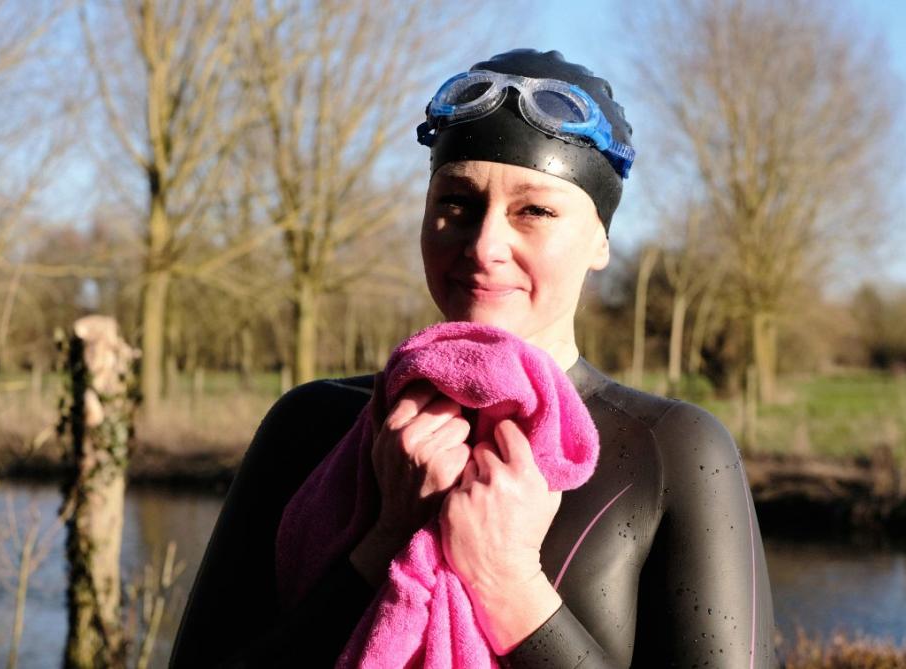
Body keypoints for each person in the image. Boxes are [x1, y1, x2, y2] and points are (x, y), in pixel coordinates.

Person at [170, 49, 774, 668]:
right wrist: (383, 541)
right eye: (457, 202)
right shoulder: (310, 425)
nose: (484, 245)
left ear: (600, 241)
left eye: (533, 211)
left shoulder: (671, 449)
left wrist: (510, 585)